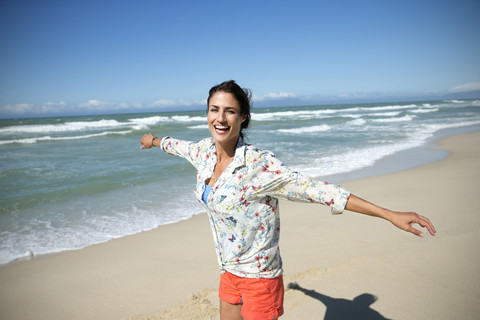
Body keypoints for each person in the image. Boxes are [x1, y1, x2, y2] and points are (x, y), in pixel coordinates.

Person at [140, 80, 436, 320]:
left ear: (242, 117)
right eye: (214, 109)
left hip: (260, 277)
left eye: (229, 111)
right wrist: (153, 141)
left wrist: (390, 214)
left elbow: (320, 191)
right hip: (228, 270)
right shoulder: (204, 152)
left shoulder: (260, 166)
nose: (220, 118)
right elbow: (177, 146)